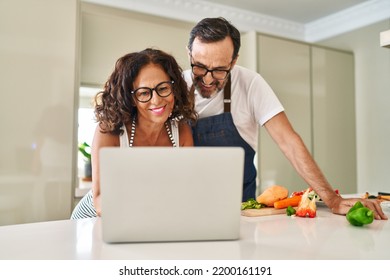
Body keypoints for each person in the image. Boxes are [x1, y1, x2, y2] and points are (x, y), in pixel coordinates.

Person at [183, 17, 387, 220]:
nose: (208, 79)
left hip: (241, 210)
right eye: (199, 67)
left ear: (234, 61)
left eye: (219, 70)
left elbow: (289, 141)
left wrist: (332, 200)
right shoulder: (173, 88)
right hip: (186, 205)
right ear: (189, 54)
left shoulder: (250, 84)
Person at [71, 48, 197, 219]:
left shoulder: (181, 131)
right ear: (131, 98)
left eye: (163, 88)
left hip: (147, 218)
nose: (157, 100)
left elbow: (185, 190)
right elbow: (100, 200)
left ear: (174, 88)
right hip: (94, 218)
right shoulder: (110, 131)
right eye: (144, 93)